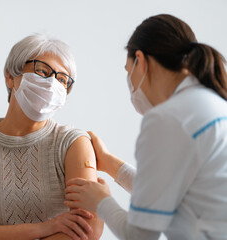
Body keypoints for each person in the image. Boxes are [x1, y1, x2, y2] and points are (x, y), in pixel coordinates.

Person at [64, 14, 227, 240]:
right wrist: (111, 164)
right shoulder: (213, 103)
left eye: (128, 70)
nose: (130, 84)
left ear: (140, 60)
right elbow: (168, 190)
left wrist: (101, 201)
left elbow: (139, 235)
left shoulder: (167, 118)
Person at [0, 34, 103, 240]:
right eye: (42, 71)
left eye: (62, 79)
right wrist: (44, 228)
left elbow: (85, 230)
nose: (52, 84)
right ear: (10, 76)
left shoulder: (72, 143)